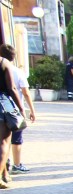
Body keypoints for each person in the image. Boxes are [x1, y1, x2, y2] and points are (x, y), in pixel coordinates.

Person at [0, 45, 35, 175]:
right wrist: (24, 109)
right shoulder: (10, 67)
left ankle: (5, 172)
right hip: (7, 107)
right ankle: (14, 166)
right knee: (8, 141)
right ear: (13, 57)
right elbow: (17, 90)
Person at [0, 47, 25, 189]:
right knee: (4, 142)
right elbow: (12, 88)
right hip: (2, 104)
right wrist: (21, 108)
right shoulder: (4, 63)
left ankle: (4, 174)